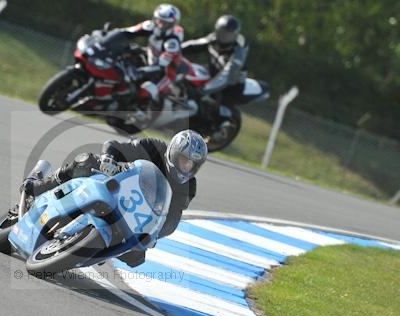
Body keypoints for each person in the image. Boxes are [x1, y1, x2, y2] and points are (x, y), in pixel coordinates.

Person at [22, 130, 208, 266]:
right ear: (174, 153)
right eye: (184, 160)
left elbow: (172, 218)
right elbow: (114, 146)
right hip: (113, 184)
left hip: (132, 215)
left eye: (192, 165)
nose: (187, 167)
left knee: (137, 256)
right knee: (87, 160)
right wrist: (108, 159)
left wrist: (157, 232)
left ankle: (89, 249)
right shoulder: (153, 147)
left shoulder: (188, 187)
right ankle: (42, 185)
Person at [181, 15, 250, 108]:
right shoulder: (213, 38)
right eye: (221, 33)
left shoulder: (238, 51)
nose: (223, 37)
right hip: (213, 73)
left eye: (228, 35)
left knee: (216, 107)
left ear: (235, 35)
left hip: (232, 85)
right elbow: (193, 45)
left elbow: (226, 76)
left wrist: (204, 90)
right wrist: (173, 50)